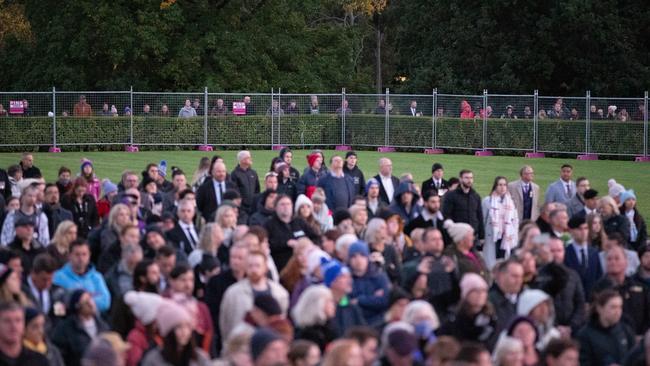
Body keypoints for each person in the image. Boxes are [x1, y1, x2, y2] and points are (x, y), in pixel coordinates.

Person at [219, 250, 289, 342]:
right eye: (250, 266)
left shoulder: (280, 293)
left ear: (265, 267)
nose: (254, 270)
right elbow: (225, 323)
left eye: (257, 265)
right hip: (241, 345)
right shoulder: (233, 293)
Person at [592, 245, 650, 335]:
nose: (612, 262)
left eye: (617, 258)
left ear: (626, 262)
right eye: (609, 259)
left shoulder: (640, 288)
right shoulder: (599, 288)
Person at [536, 236, 586, 333]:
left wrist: (570, 327)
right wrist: (554, 328)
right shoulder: (538, 276)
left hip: (571, 332)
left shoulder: (573, 275)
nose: (556, 254)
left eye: (559, 250)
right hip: (546, 331)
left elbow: (580, 304)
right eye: (552, 251)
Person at [140, 299, 211, 366]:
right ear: (169, 332)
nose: (184, 331)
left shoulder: (200, 358)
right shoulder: (153, 360)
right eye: (179, 327)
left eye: (187, 326)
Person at [51, 289, 110, 366]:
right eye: (86, 302)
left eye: (91, 299)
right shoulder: (65, 329)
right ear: (77, 306)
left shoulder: (103, 326)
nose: (91, 304)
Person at [437, 272, 497, 348]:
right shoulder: (454, 320)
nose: (480, 294)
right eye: (475, 291)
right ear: (465, 294)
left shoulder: (492, 319)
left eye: (483, 290)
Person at [577, 289, 635, 366]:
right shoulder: (584, 335)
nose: (618, 311)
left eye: (620, 307)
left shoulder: (625, 330)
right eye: (613, 307)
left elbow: (634, 358)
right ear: (599, 308)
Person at [53, 239, 112, 313]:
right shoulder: (58, 277)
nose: (81, 258)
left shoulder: (97, 277)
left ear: (89, 255)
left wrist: (78, 303)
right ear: (69, 255)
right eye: (77, 254)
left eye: (84, 254)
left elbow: (105, 302)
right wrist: (89, 300)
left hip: (95, 320)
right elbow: (57, 308)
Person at [265, 194, 320, 271]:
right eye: (282, 204)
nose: (286, 207)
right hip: (282, 266)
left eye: (288, 204)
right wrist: (286, 243)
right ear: (275, 207)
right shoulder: (269, 225)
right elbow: (267, 244)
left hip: (304, 265)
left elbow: (316, 238)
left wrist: (306, 244)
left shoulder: (299, 222)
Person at [347, 241, 390, 326]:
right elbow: (343, 301)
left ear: (367, 258)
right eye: (354, 256)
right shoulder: (345, 278)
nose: (358, 260)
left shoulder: (379, 276)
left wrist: (359, 300)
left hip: (378, 321)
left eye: (362, 255)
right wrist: (372, 298)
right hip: (352, 323)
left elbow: (384, 300)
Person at [22, 254, 67, 327]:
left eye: (50, 279)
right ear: (33, 274)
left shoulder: (58, 292)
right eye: (44, 279)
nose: (47, 283)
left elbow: (60, 317)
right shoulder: (21, 290)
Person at [442, 169, 484, 246]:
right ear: (460, 179)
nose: (469, 180)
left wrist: (482, 236)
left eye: (471, 178)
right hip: (457, 237)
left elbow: (479, 217)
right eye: (466, 178)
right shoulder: (451, 195)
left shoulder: (476, 196)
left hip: (472, 237)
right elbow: (446, 215)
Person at [563, 216, 602, 299]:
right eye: (580, 229)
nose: (584, 232)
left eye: (586, 228)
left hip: (591, 299)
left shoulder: (594, 252)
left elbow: (599, 276)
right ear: (571, 231)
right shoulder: (565, 253)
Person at [292, 284, 337, 351]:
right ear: (319, 304)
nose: (334, 305)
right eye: (330, 301)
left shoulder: (329, 327)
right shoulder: (307, 335)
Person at [231, 150, 260, 214]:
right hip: (241, 208)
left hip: (253, 208)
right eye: (249, 157)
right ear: (243, 160)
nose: (251, 159)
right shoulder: (235, 174)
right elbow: (234, 191)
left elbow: (257, 190)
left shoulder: (253, 173)